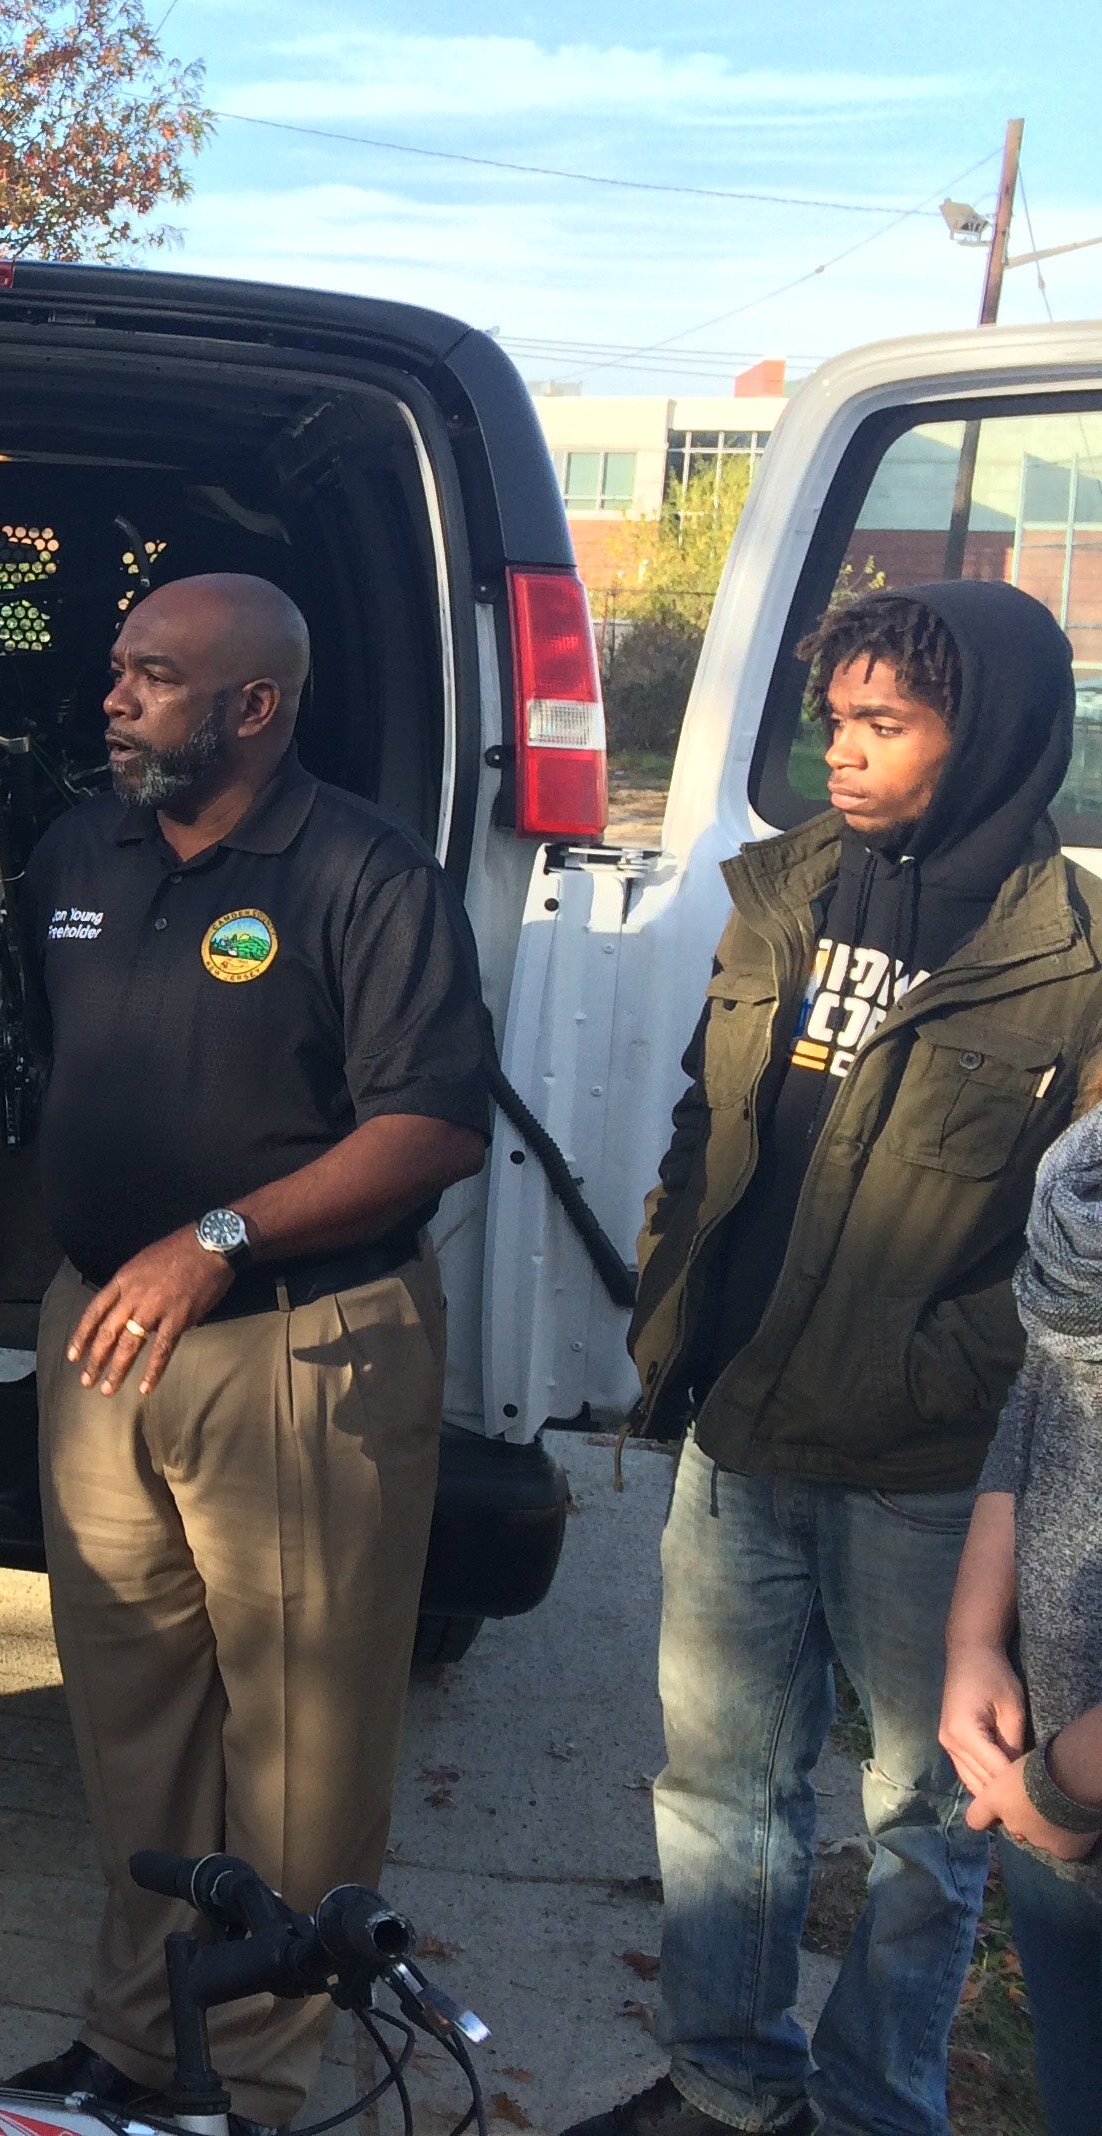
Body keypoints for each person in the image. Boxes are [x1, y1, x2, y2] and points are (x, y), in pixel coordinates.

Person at [573, 582, 1102, 2136]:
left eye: (887, 726)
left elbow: (1078, 1247)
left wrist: (949, 1372)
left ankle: (879, 2104)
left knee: (926, 1824)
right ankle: (726, 2086)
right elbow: (707, 1110)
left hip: (931, 1474)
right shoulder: (784, 888)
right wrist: (678, 1280)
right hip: (740, 1430)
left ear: (990, 734)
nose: (844, 759)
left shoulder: (1073, 962)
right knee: (721, 1792)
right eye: (835, 723)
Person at [10, 571, 492, 2128]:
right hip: (105, 1344)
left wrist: (213, 1237)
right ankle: (138, 2041)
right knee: (133, 1716)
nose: (114, 696)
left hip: (297, 1350)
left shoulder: (362, 871)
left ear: (254, 709)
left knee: (299, 1745)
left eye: (152, 675)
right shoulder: (79, 848)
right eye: (118, 666)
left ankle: (259, 2080)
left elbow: (431, 1128)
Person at [944, 1094, 1102, 2136]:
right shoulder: (1086, 1168)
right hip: (1054, 1788)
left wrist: (1062, 1786)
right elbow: (1040, 1389)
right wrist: (972, 1636)